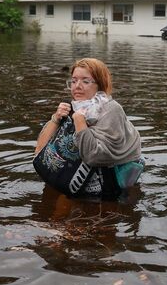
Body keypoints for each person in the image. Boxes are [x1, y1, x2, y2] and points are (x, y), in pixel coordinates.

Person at [34, 58, 143, 199]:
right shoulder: (74, 106)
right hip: (71, 182)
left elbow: (95, 156)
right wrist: (55, 119)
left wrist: (79, 121)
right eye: (73, 81)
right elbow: (39, 151)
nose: (77, 86)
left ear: (100, 84)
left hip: (105, 191)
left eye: (85, 81)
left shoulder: (110, 109)